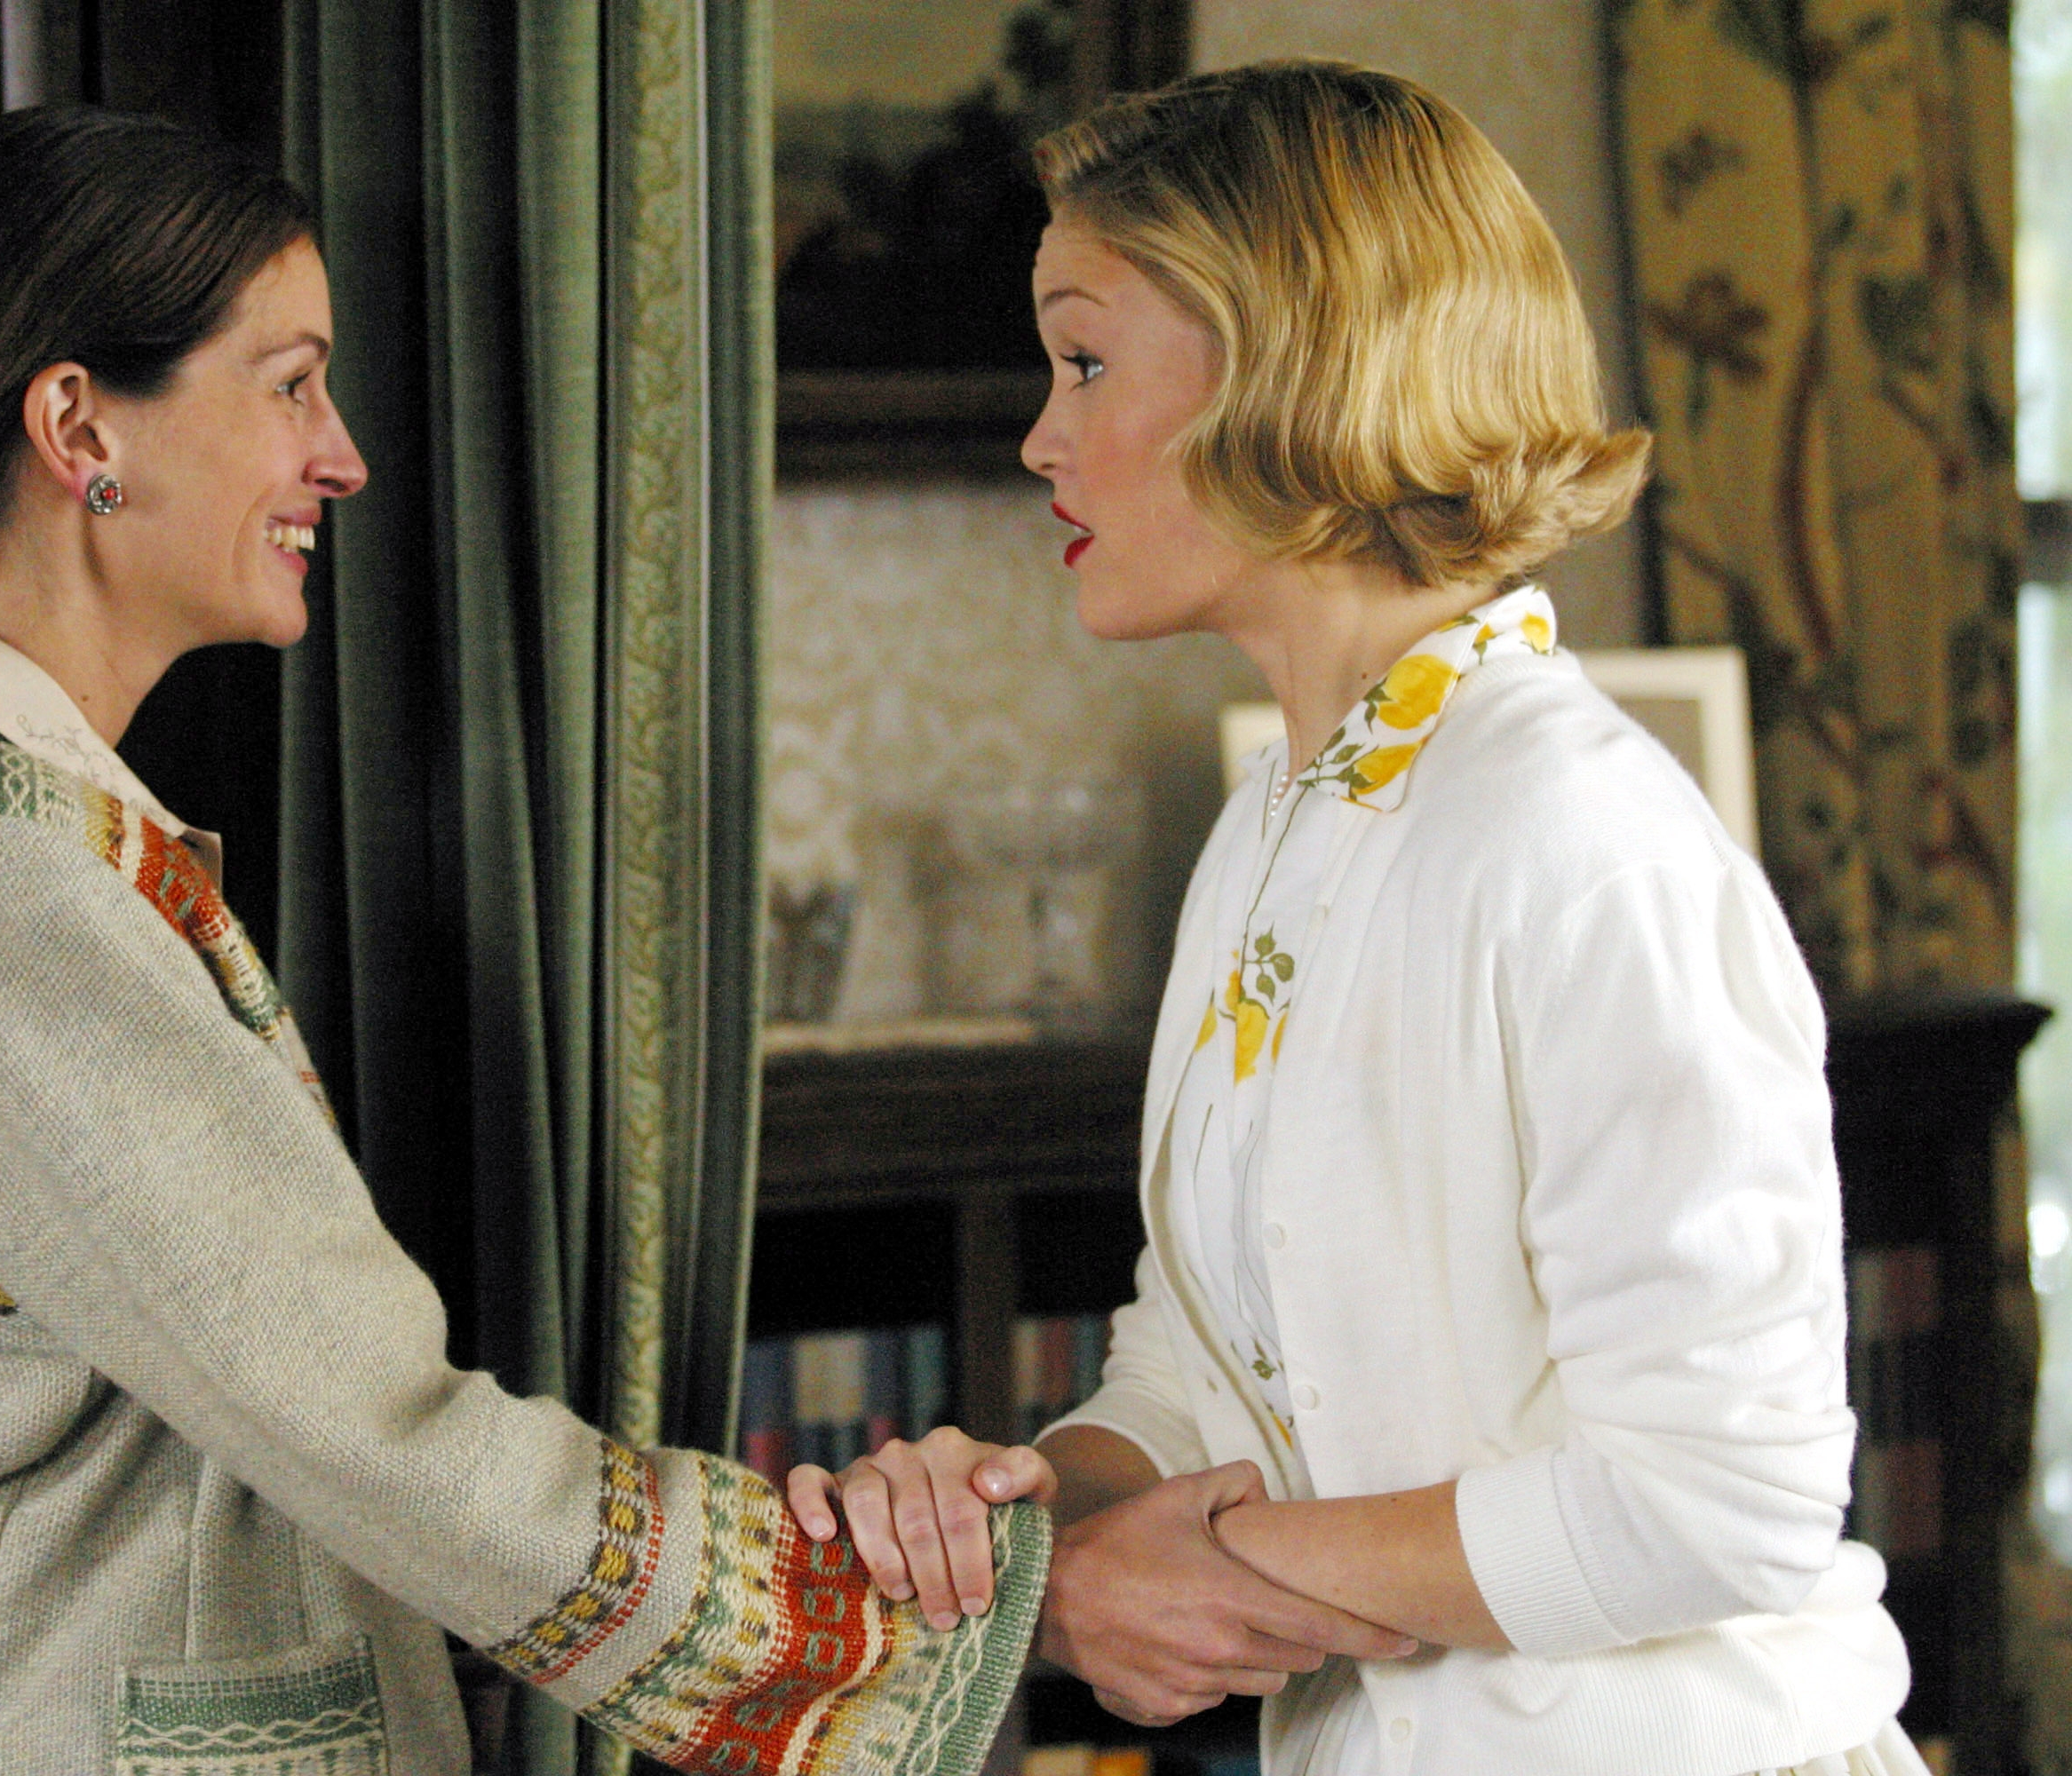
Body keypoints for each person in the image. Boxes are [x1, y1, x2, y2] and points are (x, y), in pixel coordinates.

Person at [0, 106, 1045, 1776]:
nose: (342, 455)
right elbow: (377, 1432)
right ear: (78, 424)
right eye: (289, 383)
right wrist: (927, 1611)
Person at [790, 61, 1920, 1775]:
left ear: (1287, 364)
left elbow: (1727, 1497)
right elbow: (1194, 1355)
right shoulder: (1269, 830)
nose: (1043, 432)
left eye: (1087, 360)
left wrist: (1191, 1573)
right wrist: (1027, 1520)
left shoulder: (1584, 839)